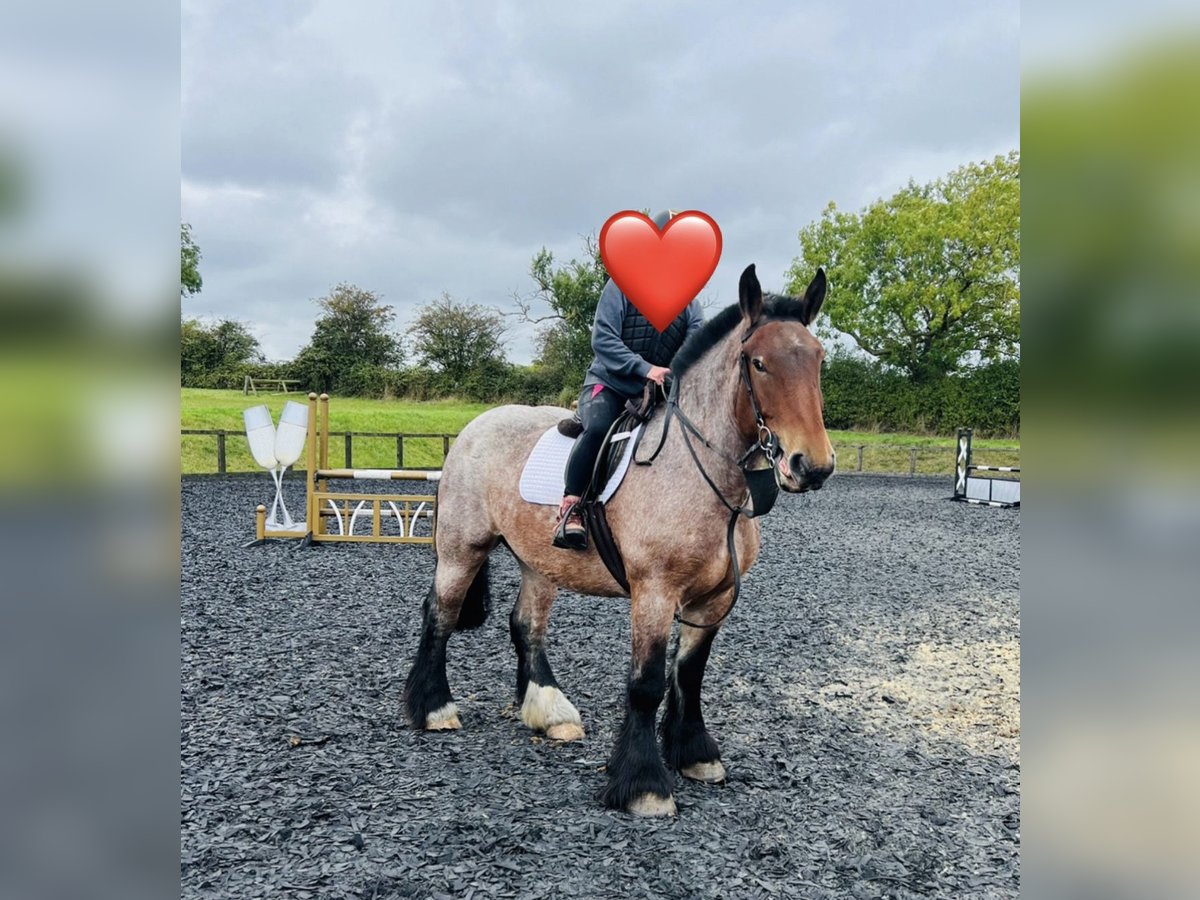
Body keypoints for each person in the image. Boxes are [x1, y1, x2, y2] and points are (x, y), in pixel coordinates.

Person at [553, 209, 705, 550]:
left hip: (659, 392)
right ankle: (571, 507)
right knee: (597, 429)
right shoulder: (620, 285)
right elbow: (603, 339)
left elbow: (697, 342)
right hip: (610, 384)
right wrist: (645, 368)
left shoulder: (689, 300)